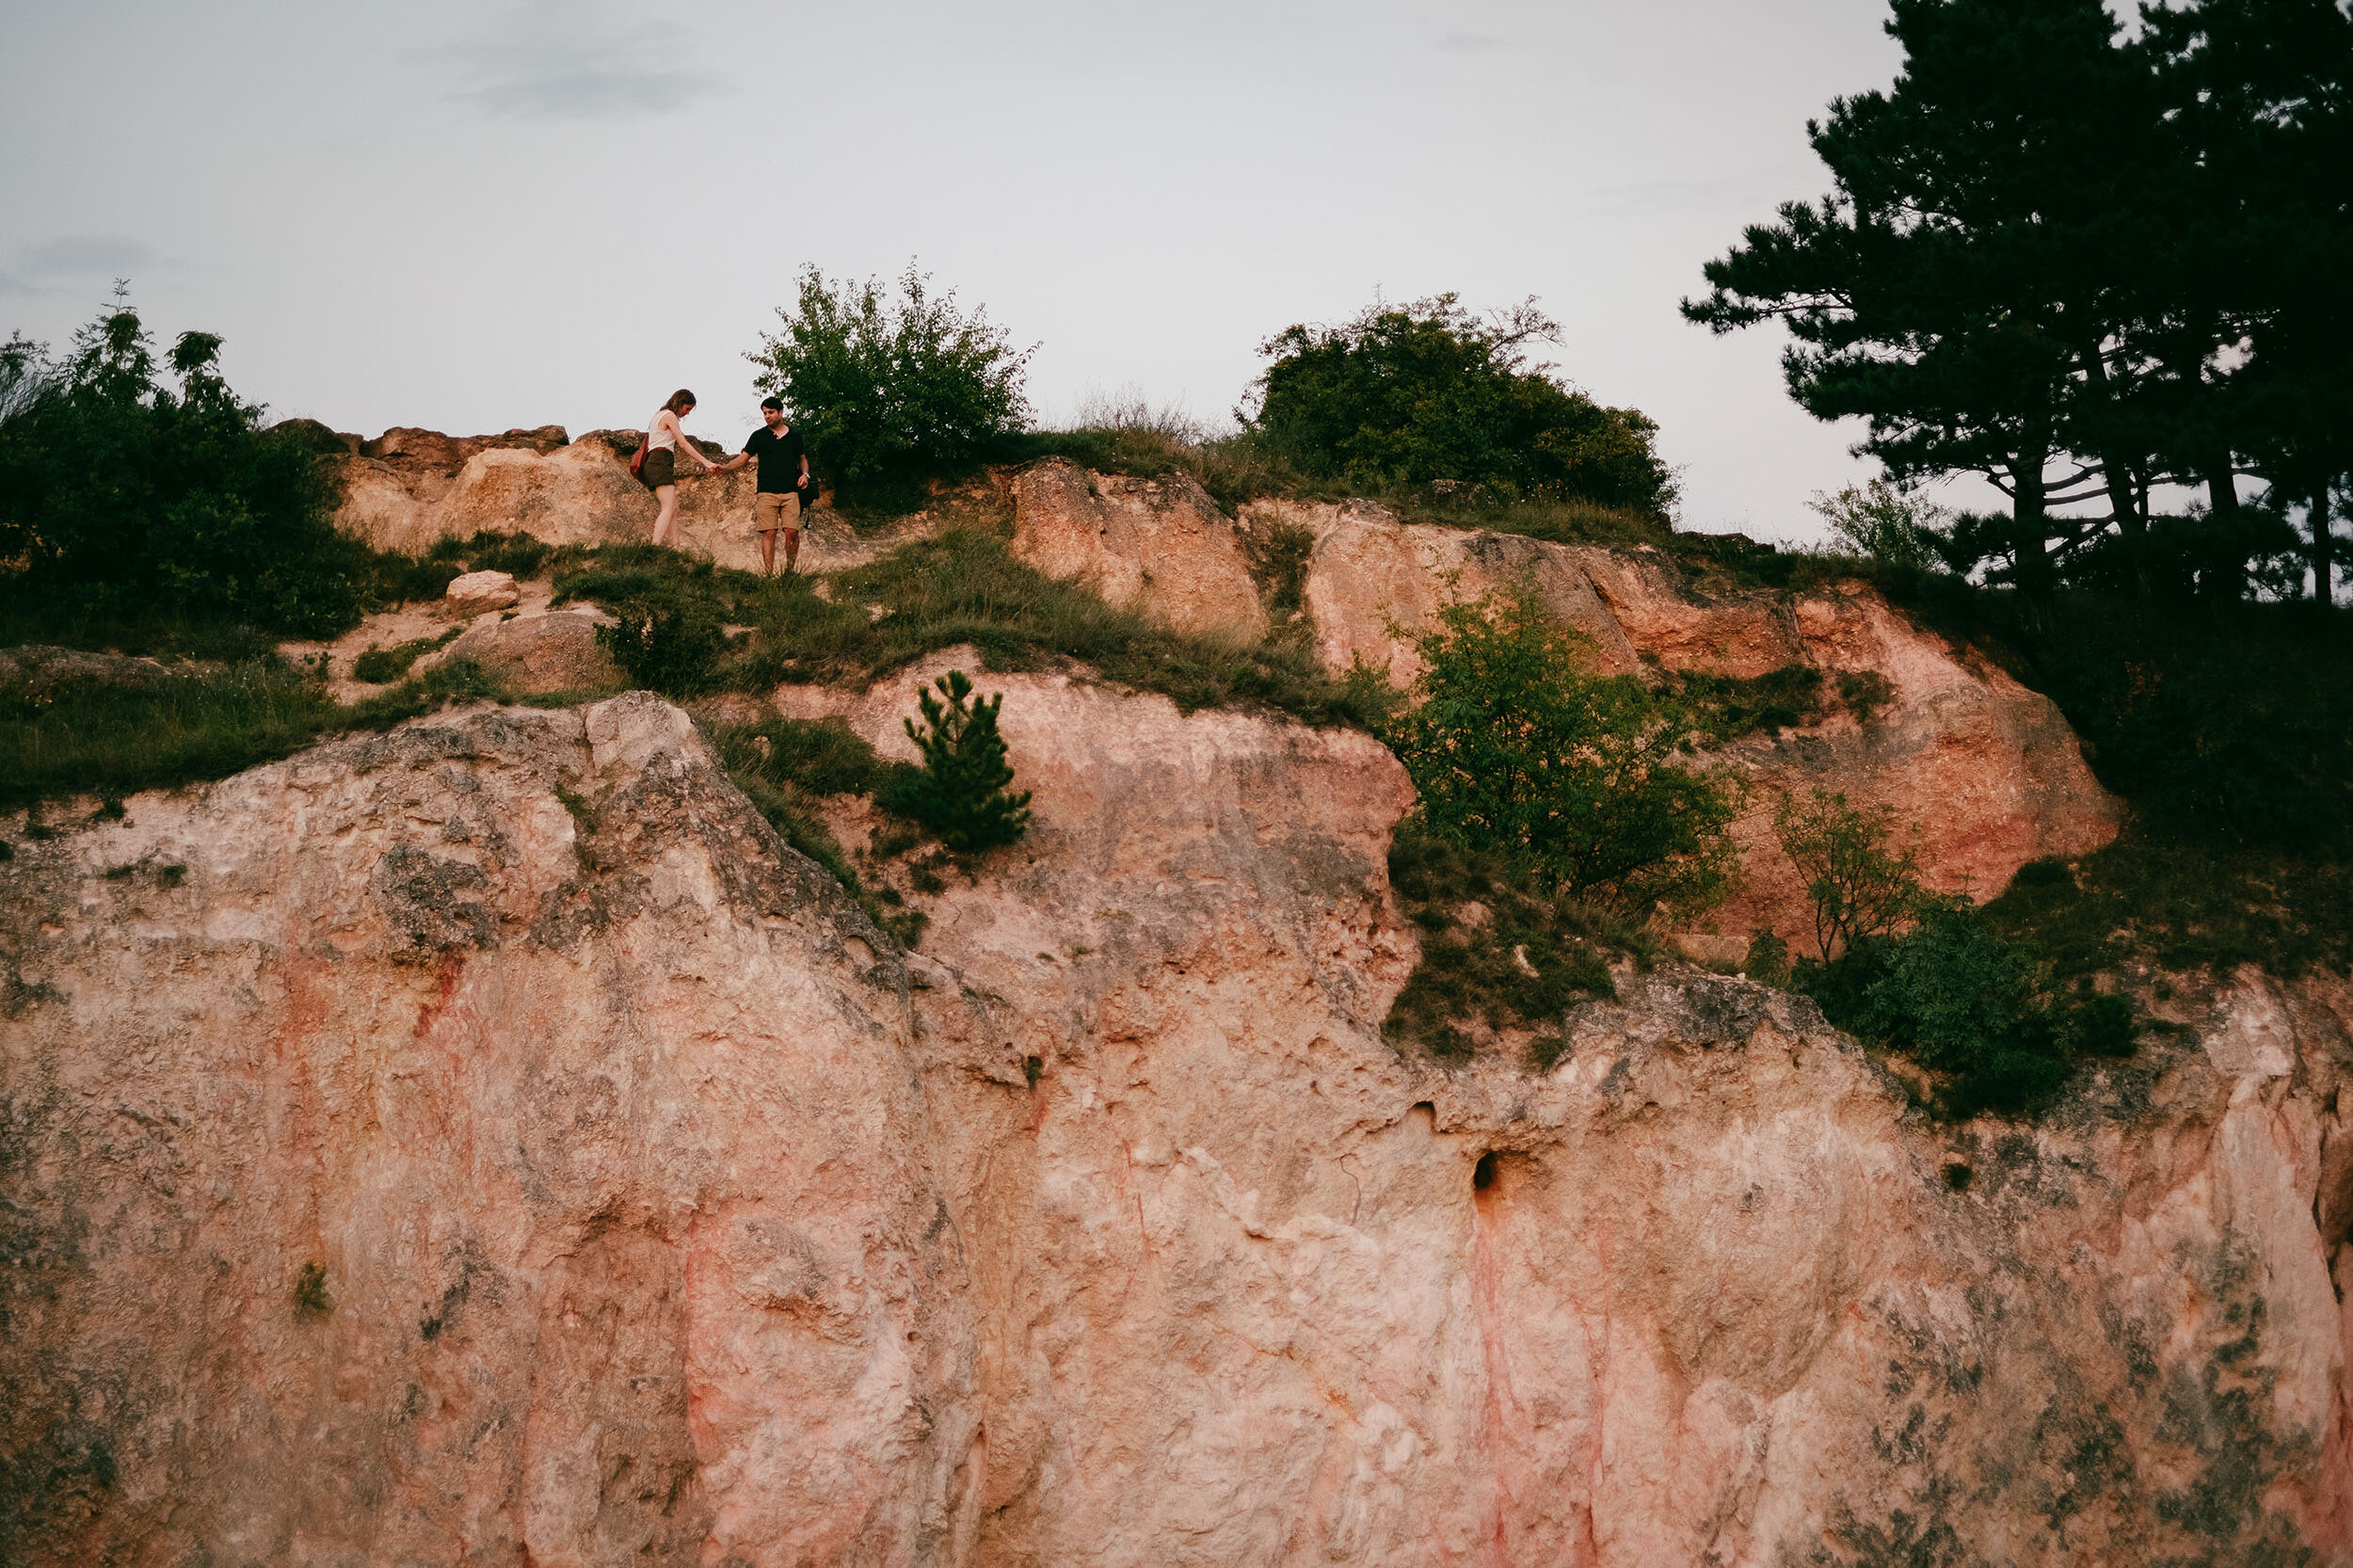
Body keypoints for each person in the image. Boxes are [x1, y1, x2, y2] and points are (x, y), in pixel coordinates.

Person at [715, 395, 812, 577]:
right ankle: (768, 575)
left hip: (791, 491)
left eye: (771, 412)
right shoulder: (758, 436)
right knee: (769, 532)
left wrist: (805, 475)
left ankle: (790, 573)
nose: (767, 416)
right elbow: (743, 459)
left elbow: (802, 459)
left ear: (780, 412)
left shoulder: (795, 435)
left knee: (792, 532)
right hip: (766, 492)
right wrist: (724, 467)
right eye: (764, 413)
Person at [638, 389, 720, 548]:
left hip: (658, 461)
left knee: (673, 508)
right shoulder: (669, 416)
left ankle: (674, 548)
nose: (687, 413)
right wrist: (706, 462)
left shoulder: (659, 415)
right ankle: (654, 546)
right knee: (668, 507)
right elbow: (682, 443)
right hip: (660, 461)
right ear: (680, 403)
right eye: (687, 408)